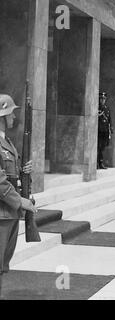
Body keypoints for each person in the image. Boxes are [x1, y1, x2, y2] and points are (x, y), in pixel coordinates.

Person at [0, 95, 38, 299]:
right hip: (2, 214)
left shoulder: (8, 142)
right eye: (11, 113)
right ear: (3, 115)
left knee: (3, 265)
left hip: (9, 213)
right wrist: (20, 201)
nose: (14, 116)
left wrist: (24, 170)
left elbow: (11, 175)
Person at [97, 92, 113, 170]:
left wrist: (111, 129)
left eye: (104, 99)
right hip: (99, 131)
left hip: (105, 131)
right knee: (98, 147)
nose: (102, 100)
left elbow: (109, 120)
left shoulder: (106, 108)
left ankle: (101, 162)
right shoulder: (97, 108)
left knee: (102, 147)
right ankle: (98, 163)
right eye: (101, 99)